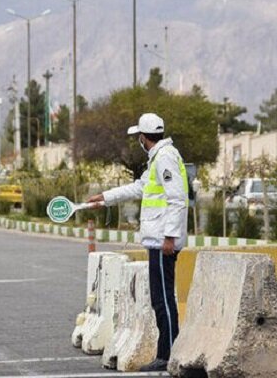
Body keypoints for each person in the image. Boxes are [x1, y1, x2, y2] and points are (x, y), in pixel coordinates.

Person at [87, 112, 188, 372]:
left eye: (139, 138)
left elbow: (176, 198)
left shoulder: (164, 157)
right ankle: (165, 354)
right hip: (157, 240)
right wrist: (105, 198)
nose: (139, 142)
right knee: (159, 299)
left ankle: (167, 356)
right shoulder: (158, 159)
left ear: (144, 138)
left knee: (164, 300)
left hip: (163, 242)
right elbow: (138, 187)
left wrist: (169, 237)